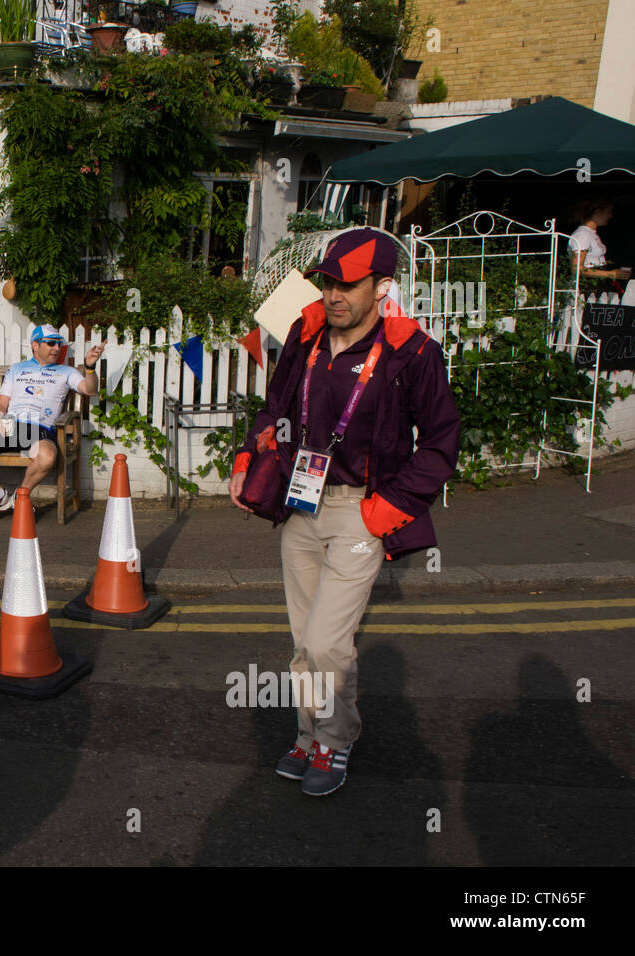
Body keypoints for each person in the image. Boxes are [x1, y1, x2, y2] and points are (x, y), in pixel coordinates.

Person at [228, 228, 460, 796]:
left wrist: (391, 509)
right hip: (302, 503)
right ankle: (309, 734)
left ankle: (336, 741)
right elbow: (275, 406)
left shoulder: (411, 350)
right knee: (304, 637)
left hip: (363, 510)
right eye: (329, 282)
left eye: (348, 285)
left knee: (328, 643)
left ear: (383, 287)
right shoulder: (307, 336)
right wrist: (247, 457)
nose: (334, 295)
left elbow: (442, 439)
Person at [0, 325, 104, 522]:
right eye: (50, 344)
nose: (56, 348)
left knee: (47, 457)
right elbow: (1, 403)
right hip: (10, 424)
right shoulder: (17, 369)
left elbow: (90, 390)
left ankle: (21, 496)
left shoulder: (65, 371)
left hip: (40, 429)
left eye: (58, 344)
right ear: (35, 345)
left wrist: (90, 367)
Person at [569, 199, 631, 283]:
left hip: (595, 284)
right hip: (586, 286)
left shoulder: (591, 233)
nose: (610, 216)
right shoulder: (583, 234)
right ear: (597, 212)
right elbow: (577, 269)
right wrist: (610, 274)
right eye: (608, 212)